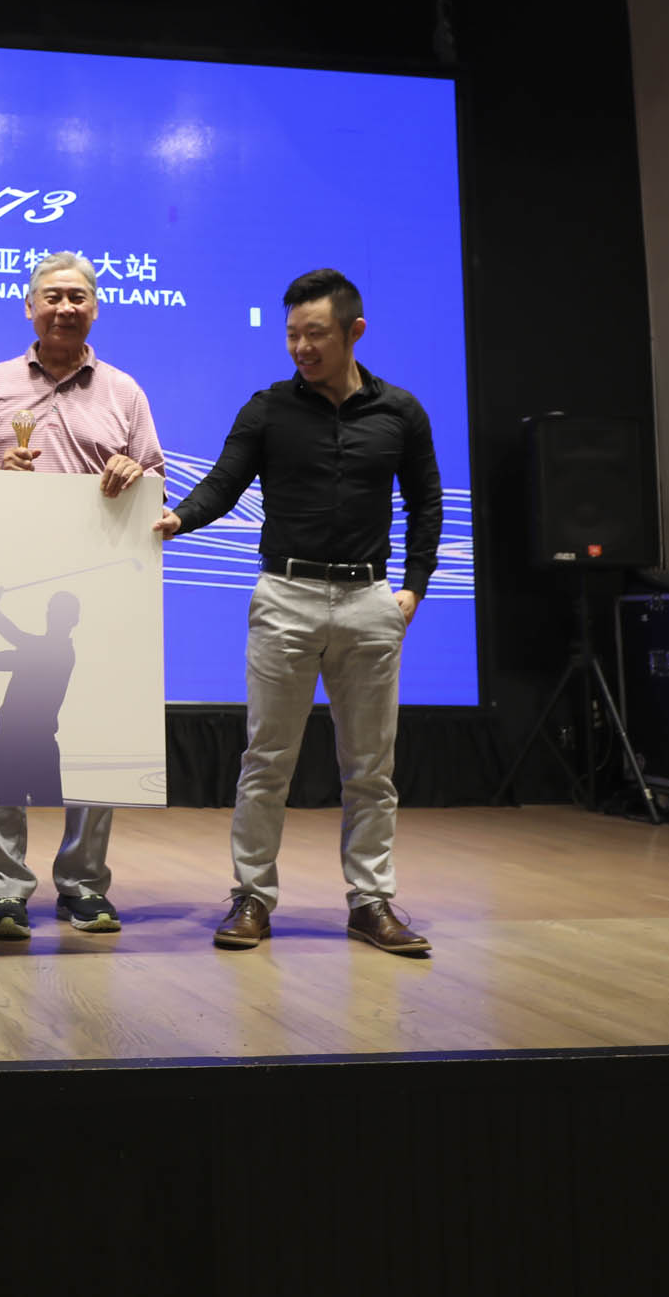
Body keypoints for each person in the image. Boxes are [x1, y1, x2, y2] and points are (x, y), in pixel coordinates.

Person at [157, 268, 442, 957]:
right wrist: (177, 518)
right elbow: (223, 483)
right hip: (285, 598)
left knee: (370, 768)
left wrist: (414, 586)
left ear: (354, 331)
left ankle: (371, 902)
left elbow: (426, 502)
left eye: (315, 334)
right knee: (266, 759)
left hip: (371, 602)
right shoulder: (268, 409)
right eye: (292, 335)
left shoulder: (400, 412)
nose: (301, 348)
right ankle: (252, 896)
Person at [0, 251, 165, 938]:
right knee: (2, 737)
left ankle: (83, 884)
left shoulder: (124, 391)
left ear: (95, 308)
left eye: (77, 297)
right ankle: (5, 890)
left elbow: (157, 482)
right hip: (6, 578)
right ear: (30, 307)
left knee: (98, 735)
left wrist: (133, 470)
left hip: (97, 589)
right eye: (53, 296)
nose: (65, 308)